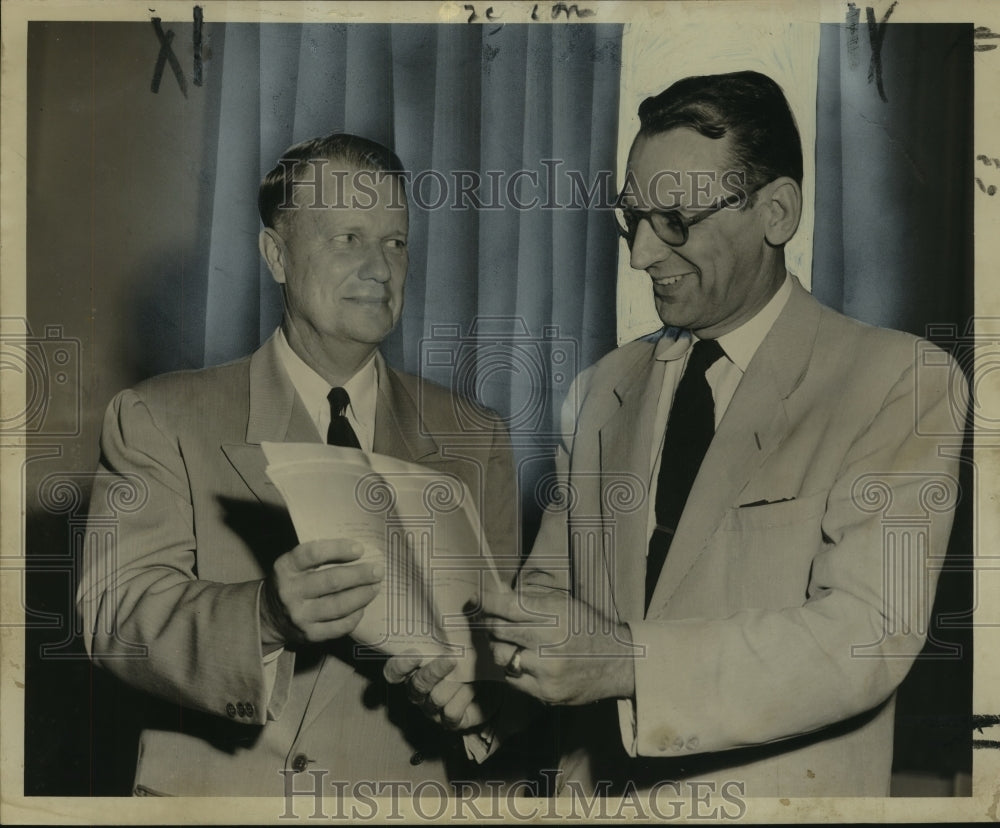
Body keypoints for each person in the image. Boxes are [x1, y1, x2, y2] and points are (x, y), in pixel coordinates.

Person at [387, 71, 963, 797]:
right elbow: (552, 598)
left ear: (777, 212)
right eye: (633, 220)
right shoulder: (602, 390)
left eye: (676, 222)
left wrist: (626, 662)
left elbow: (864, 638)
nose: (641, 256)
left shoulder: (899, 381)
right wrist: (494, 687)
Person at [77, 133, 517, 796]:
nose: (380, 267)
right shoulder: (159, 417)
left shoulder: (473, 436)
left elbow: (501, 669)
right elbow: (118, 616)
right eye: (347, 237)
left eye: (395, 241)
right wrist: (263, 616)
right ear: (275, 254)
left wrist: (477, 708)